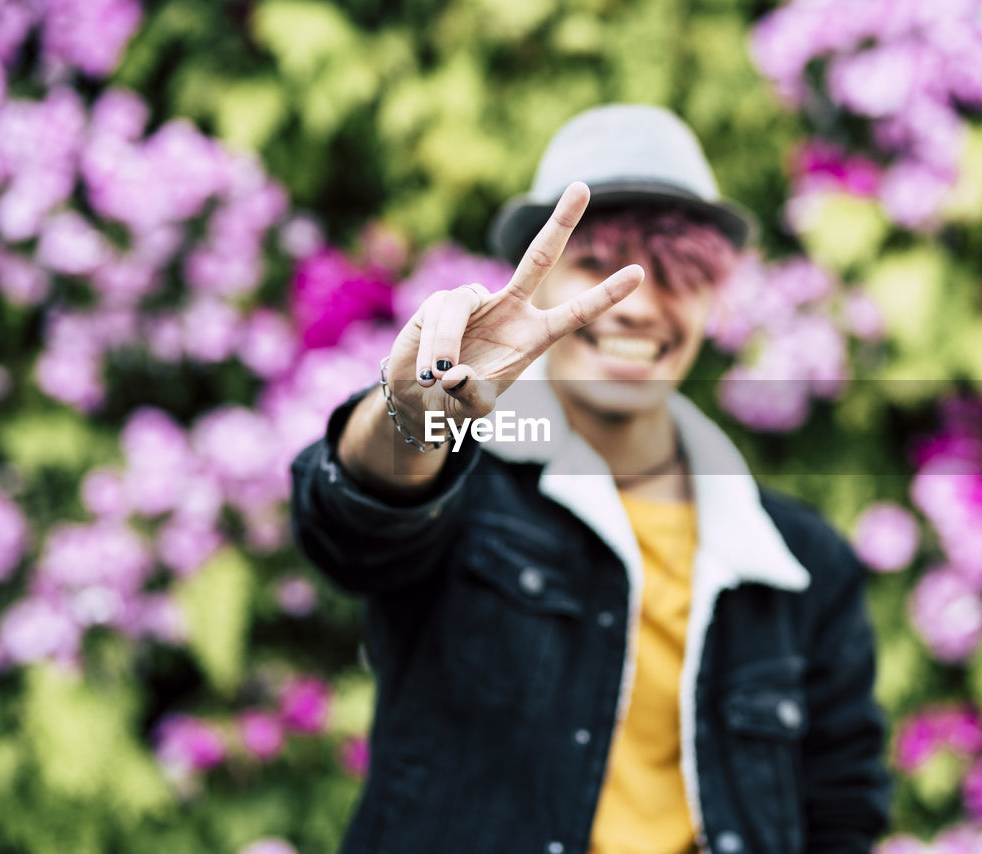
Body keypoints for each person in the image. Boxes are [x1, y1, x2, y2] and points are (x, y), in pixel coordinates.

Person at [290, 104, 891, 854]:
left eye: (676, 272)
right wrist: (411, 416)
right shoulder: (468, 485)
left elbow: (841, 806)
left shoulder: (801, 563)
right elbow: (350, 525)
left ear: (716, 298)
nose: (635, 306)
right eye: (596, 265)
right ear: (538, 283)